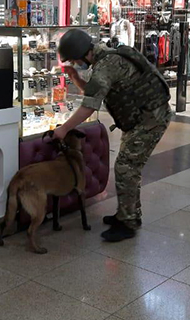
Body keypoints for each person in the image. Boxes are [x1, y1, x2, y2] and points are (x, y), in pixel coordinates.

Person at [53, 28, 171, 242]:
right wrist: (75, 78)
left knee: (126, 167)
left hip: (150, 118)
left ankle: (127, 223)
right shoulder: (105, 58)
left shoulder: (106, 65)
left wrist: (64, 129)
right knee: (129, 167)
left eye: (75, 60)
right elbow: (95, 91)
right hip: (142, 116)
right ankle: (129, 214)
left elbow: (89, 106)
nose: (76, 64)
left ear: (82, 54)